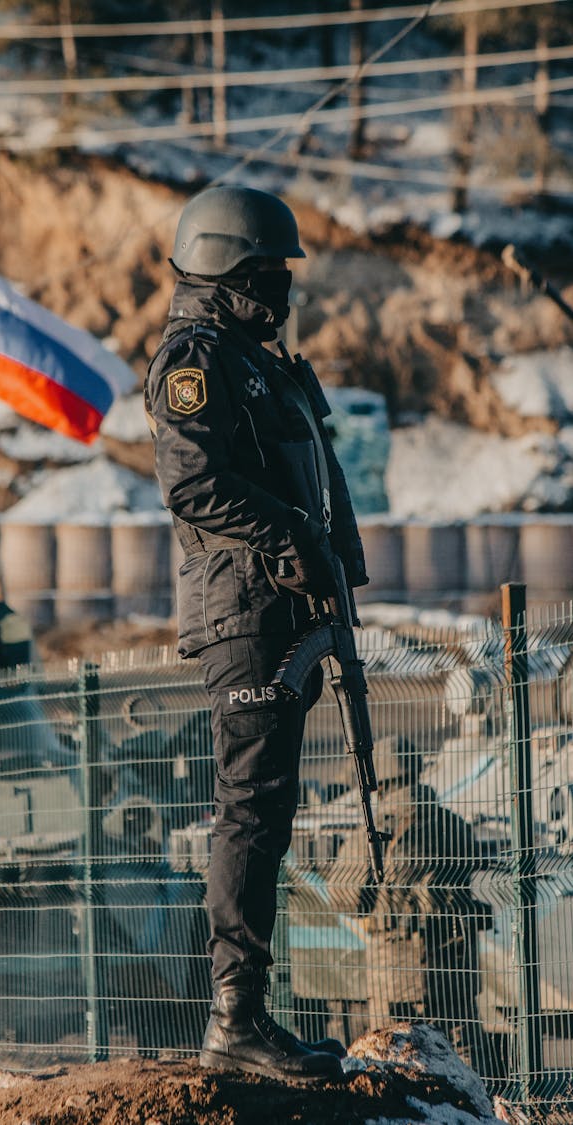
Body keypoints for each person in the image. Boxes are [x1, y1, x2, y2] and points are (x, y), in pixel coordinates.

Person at [144, 184, 368, 1079]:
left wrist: (337, 571)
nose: (282, 287)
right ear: (226, 270)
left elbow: (319, 474)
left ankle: (248, 1017)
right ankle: (234, 1023)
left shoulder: (262, 362)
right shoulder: (194, 360)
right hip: (242, 612)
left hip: (288, 611)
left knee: (268, 812)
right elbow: (192, 484)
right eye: (268, 271)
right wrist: (295, 539)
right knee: (249, 812)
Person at [325, 735, 495, 1075]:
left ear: (382, 781)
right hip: (456, 964)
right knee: (463, 1055)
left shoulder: (376, 832)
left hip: (396, 972)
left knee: (397, 1060)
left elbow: (344, 895)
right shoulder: (454, 825)